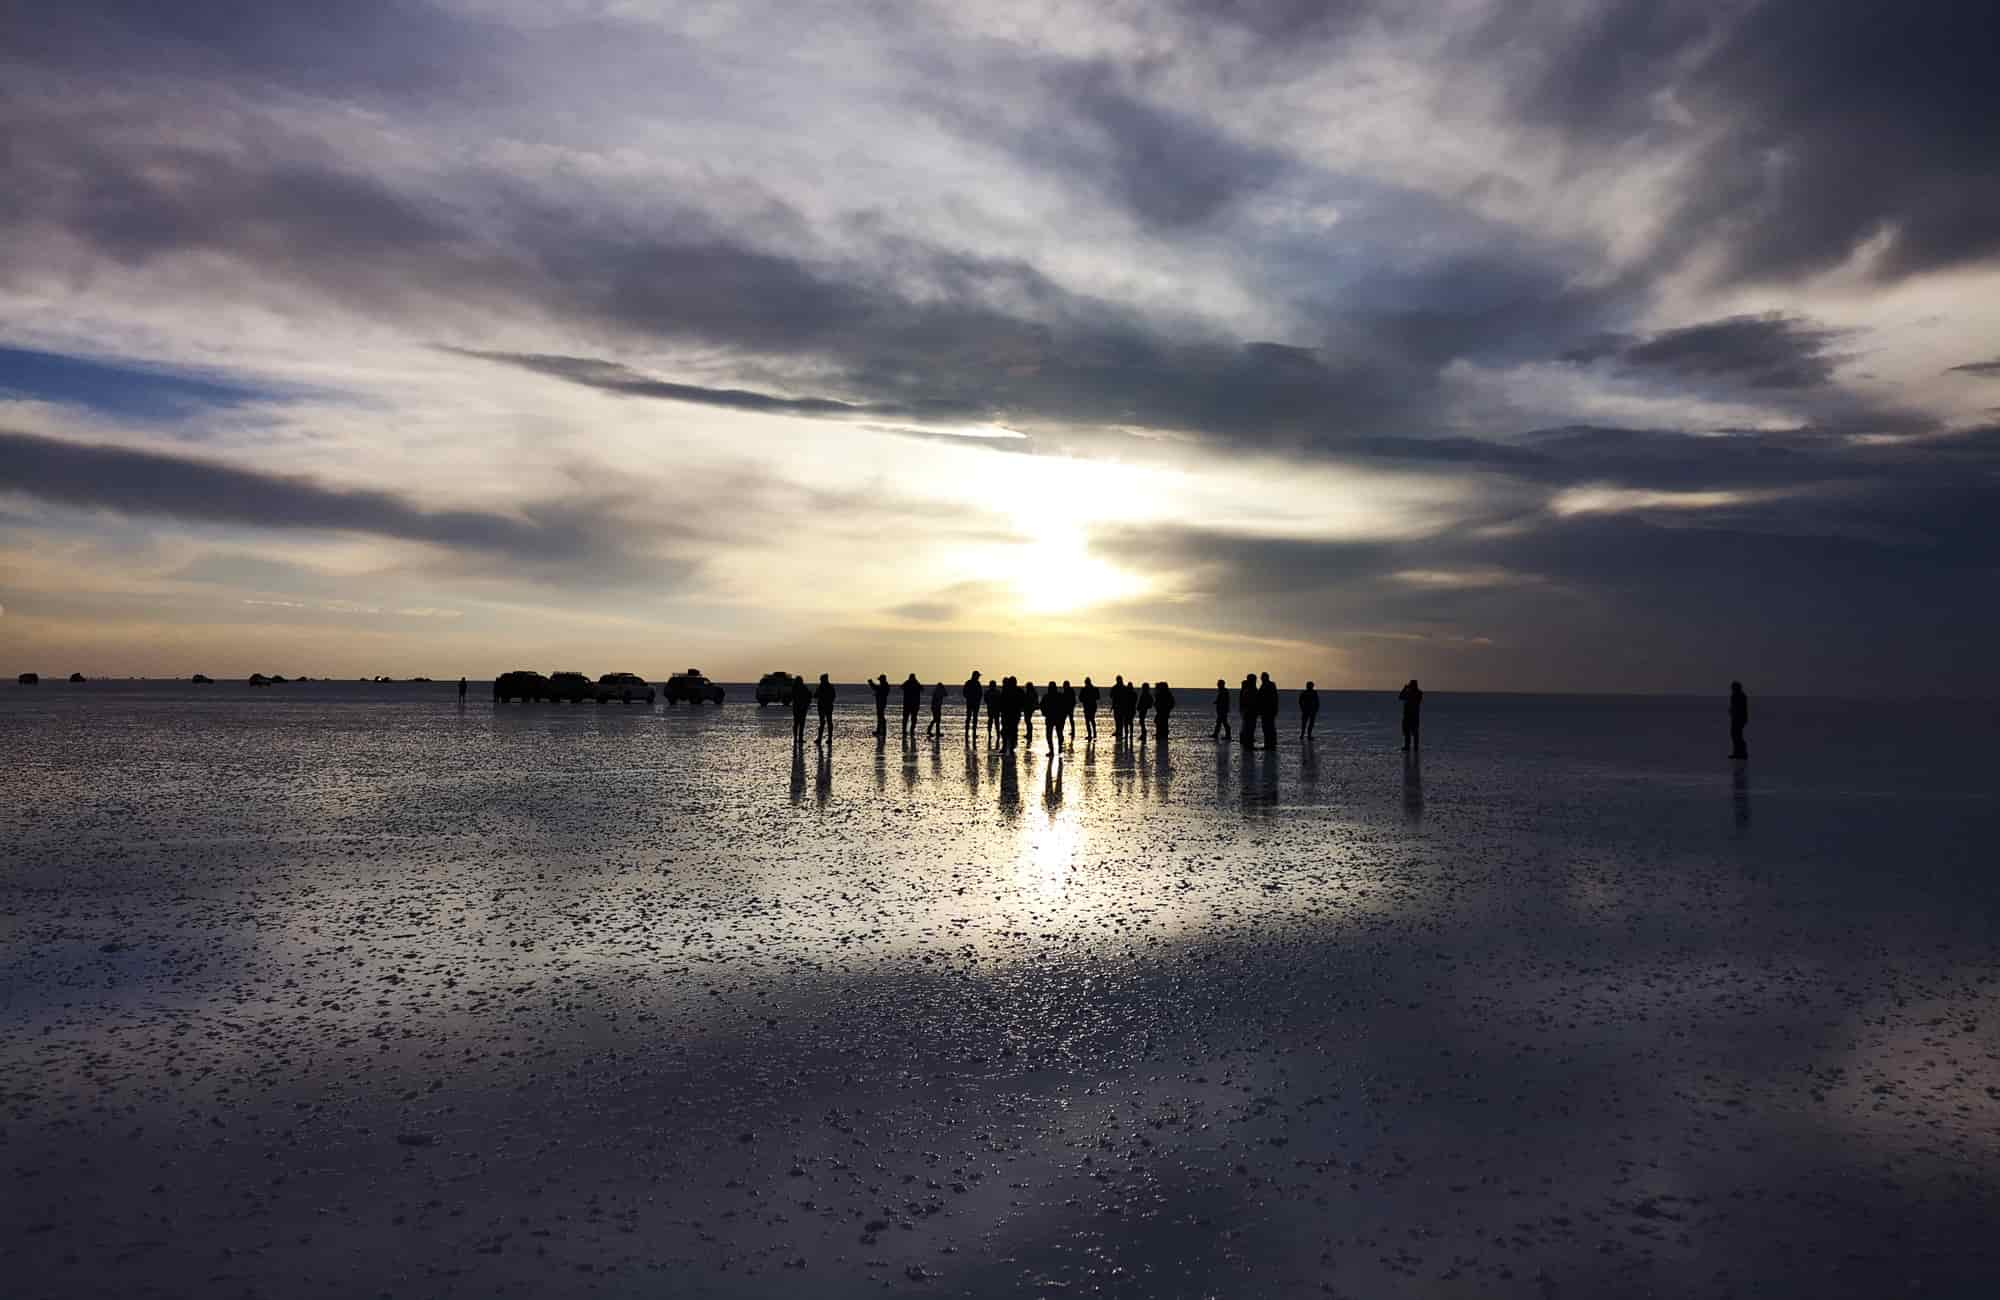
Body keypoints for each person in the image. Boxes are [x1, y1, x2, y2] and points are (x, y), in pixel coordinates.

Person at [1398, 678, 1423, 752]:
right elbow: (1400, 697)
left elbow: (1401, 697)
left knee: (1414, 732)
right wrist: (1405, 689)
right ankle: (1407, 746)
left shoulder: (1418, 693)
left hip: (1413, 716)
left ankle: (1414, 747)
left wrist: (1405, 689)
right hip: (1408, 715)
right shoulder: (1410, 693)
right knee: (1407, 732)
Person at [1000, 676, 1022, 751]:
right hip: (1009, 714)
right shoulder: (1008, 690)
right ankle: (1008, 746)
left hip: (1012, 714)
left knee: (1008, 731)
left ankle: (1009, 746)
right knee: (1008, 731)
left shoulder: (1008, 690)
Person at [814, 673, 836, 746]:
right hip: (823, 707)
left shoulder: (828, 687)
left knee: (827, 722)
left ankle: (828, 738)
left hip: (826, 707)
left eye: (821, 679)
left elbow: (833, 696)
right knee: (823, 723)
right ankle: (821, 738)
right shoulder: (823, 687)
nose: (820, 681)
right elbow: (816, 695)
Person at [1258, 672, 1278, 750]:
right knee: (1268, 727)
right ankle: (1269, 743)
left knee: (1268, 727)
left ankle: (1270, 744)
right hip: (1266, 710)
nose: (1262, 679)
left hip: (1268, 710)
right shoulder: (1266, 685)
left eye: (1262, 677)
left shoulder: (1269, 685)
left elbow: (1274, 698)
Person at [1729, 681, 1749, 759]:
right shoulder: (1735, 695)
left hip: (1739, 718)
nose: (1732, 689)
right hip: (1735, 718)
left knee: (1737, 736)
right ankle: (1737, 753)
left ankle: (1742, 753)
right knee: (1735, 735)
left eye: (1733, 687)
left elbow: (1742, 708)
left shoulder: (1740, 695)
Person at [790, 674, 811, 746]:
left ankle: (797, 738)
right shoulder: (802, 688)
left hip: (798, 708)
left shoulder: (795, 688)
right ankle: (799, 738)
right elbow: (808, 697)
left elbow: (808, 697)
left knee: (797, 724)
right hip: (800, 708)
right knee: (800, 724)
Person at [901, 672, 922, 741]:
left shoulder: (911, 683)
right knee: (910, 718)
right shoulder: (914, 683)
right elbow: (922, 689)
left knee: (908, 718)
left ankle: (908, 730)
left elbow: (901, 687)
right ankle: (909, 730)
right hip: (912, 704)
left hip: (910, 704)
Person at [963, 671, 983, 740]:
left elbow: (965, 693)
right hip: (973, 703)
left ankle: (970, 733)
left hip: (972, 703)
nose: (978, 677)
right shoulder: (975, 683)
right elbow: (980, 693)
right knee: (971, 718)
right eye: (978, 676)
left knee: (971, 718)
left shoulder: (970, 683)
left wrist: (969, 698)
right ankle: (969, 733)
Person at [1079, 677, 1100, 742]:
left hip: (1089, 706)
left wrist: (1085, 699)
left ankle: (1091, 734)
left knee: (1088, 721)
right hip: (1091, 706)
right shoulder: (1093, 689)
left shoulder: (1085, 689)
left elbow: (1080, 698)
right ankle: (1093, 734)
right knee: (1091, 720)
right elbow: (1098, 697)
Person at [1239, 673, 1257, 748]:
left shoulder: (1248, 689)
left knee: (1247, 726)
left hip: (1249, 711)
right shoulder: (1250, 690)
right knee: (1248, 726)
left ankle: (1247, 740)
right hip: (1249, 711)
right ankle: (1247, 741)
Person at [1021, 681, 1040, 750]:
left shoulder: (1030, 693)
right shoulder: (1033, 692)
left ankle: (1029, 734)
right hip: (1029, 708)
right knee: (1028, 721)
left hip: (1029, 708)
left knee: (1028, 721)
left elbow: (1029, 700)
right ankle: (1029, 734)